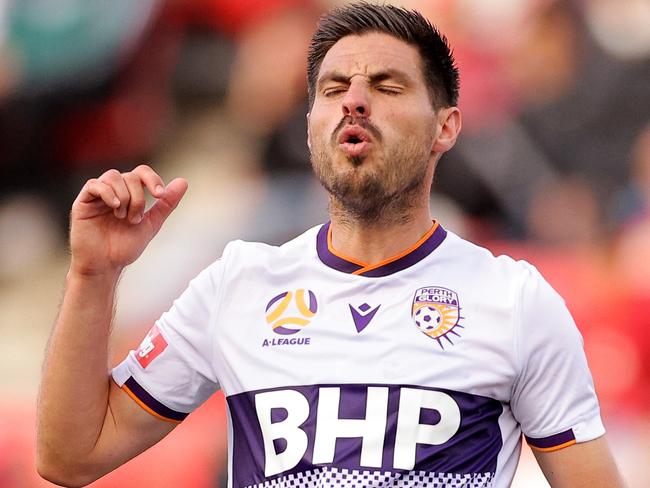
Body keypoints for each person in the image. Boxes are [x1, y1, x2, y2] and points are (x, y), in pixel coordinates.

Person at [37, 3, 625, 487]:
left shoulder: (516, 300)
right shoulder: (236, 283)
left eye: (388, 86)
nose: (355, 100)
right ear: (312, 122)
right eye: (334, 87)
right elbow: (70, 456)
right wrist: (93, 275)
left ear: (446, 126)